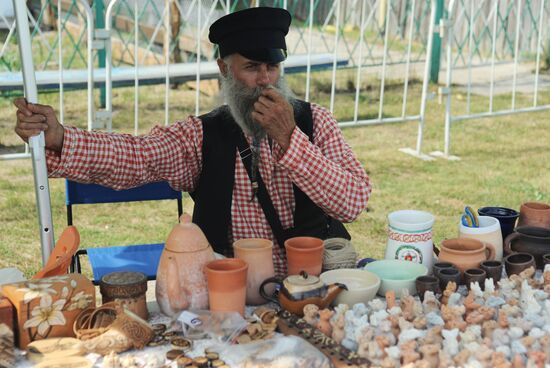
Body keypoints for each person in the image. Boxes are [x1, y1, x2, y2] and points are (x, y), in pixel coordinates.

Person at [14, 7, 371, 276]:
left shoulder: (314, 121)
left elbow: (352, 203)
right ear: (224, 69)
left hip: (312, 288)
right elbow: (137, 157)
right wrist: (60, 137)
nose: (265, 81)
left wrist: (291, 141)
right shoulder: (202, 135)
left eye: (272, 67)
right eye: (251, 67)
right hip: (232, 295)